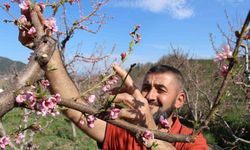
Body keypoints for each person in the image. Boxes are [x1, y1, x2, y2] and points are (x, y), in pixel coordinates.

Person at [17, 5, 208, 150]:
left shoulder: (191, 140)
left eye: (161, 89)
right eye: (146, 87)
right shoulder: (124, 129)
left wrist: (149, 129)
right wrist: (47, 47)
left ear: (179, 100)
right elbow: (75, 110)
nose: (149, 96)